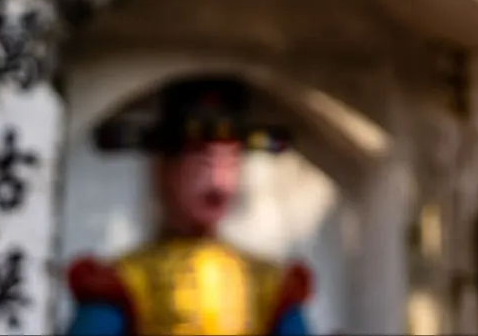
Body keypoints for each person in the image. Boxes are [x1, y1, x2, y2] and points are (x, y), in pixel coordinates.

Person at [65, 77, 312, 335]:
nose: (217, 180)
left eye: (230, 162)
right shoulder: (125, 280)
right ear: (164, 170)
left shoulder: (268, 282)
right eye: (202, 162)